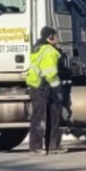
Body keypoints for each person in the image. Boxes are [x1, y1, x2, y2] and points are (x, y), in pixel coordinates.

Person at [26, 26, 67, 155]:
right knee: (40, 117)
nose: (57, 39)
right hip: (41, 87)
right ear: (49, 37)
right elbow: (50, 73)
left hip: (40, 86)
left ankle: (53, 145)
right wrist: (58, 90)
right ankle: (35, 147)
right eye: (55, 36)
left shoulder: (40, 48)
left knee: (53, 115)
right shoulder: (48, 51)